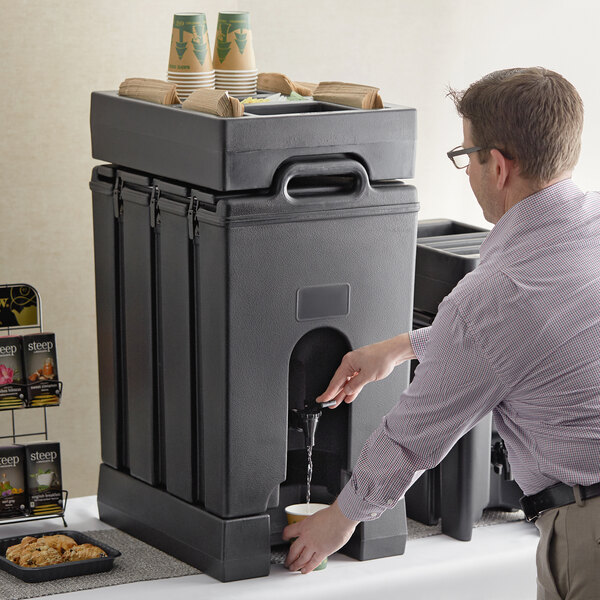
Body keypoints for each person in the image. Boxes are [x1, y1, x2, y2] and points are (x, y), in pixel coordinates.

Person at [283, 67, 600, 599]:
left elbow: (411, 439)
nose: (468, 172)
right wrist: (402, 347)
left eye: (465, 156)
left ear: (497, 165)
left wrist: (338, 519)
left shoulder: (497, 295)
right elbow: (535, 337)